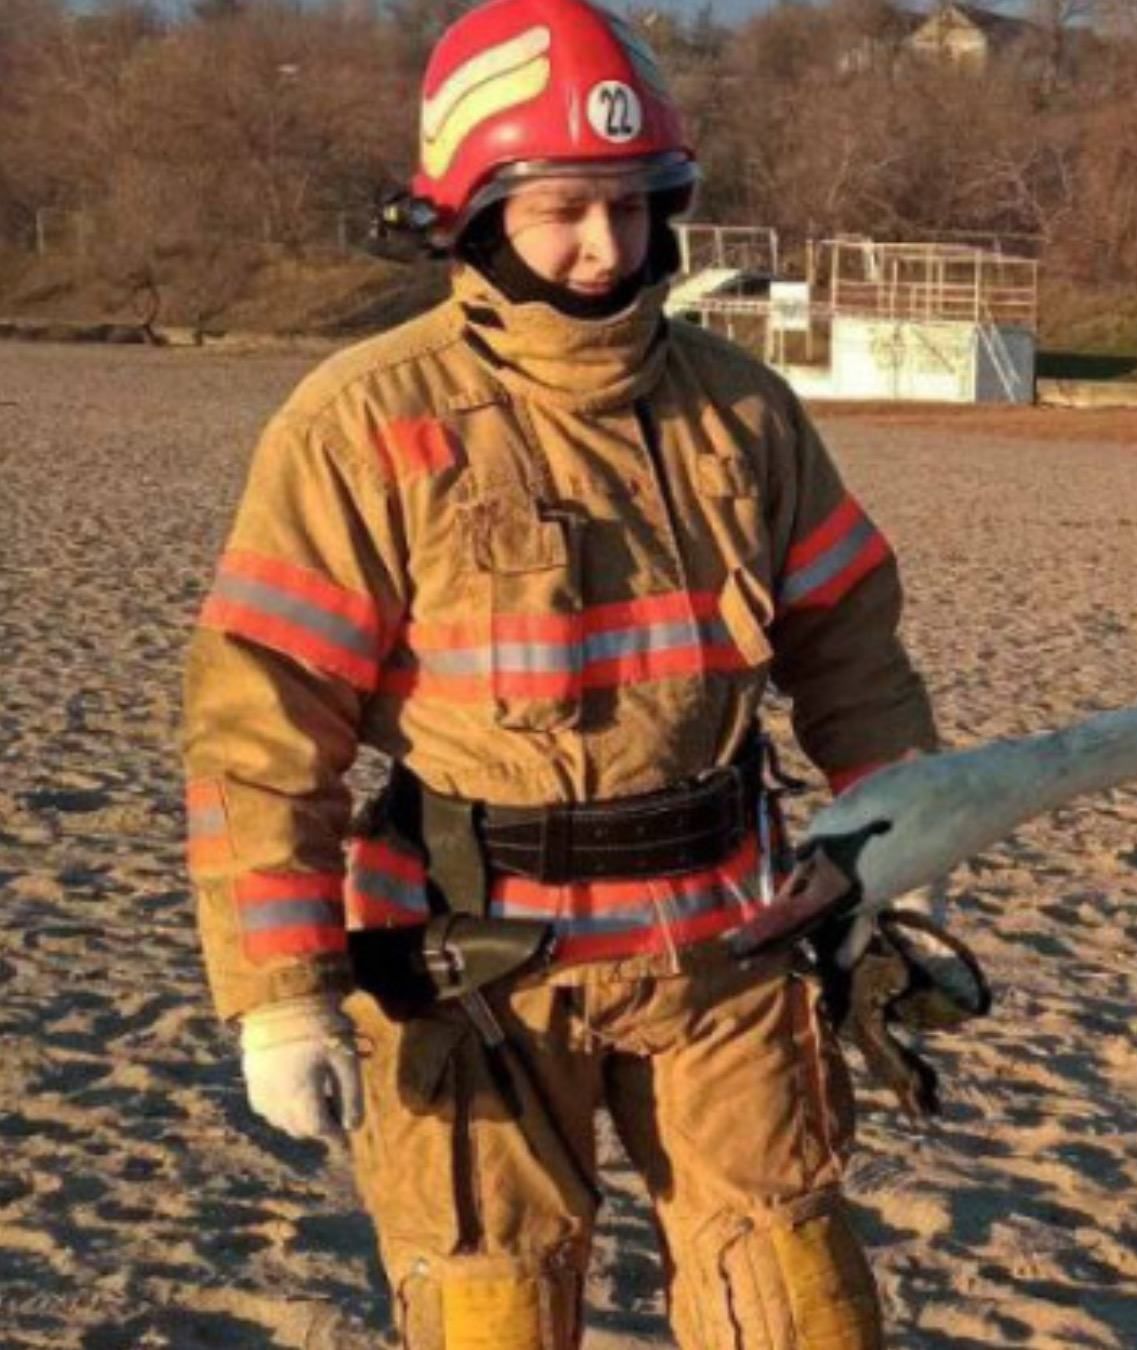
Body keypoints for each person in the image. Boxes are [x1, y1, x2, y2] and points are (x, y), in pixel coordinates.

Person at [179, 1, 936, 1343]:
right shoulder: (365, 423)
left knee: (801, 1305)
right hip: (475, 971)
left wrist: (899, 842)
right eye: (563, 209)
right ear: (472, 216)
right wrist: (282, 998)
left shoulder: (742, 408)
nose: (606, 246)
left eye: (632, 205)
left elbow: (850, 644)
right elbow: (263, 729)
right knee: (496, 1306)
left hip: (730, 950)